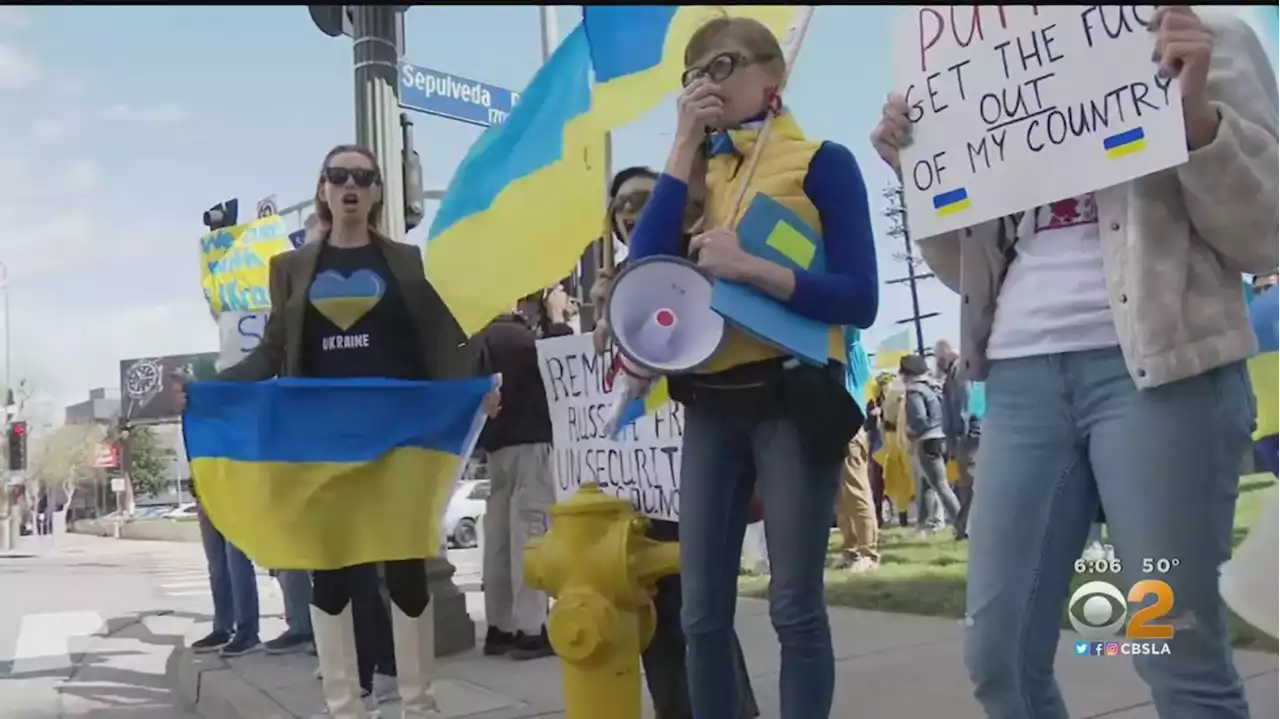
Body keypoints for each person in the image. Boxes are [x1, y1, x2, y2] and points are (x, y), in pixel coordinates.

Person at [871, 9, 1279, 717]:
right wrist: (922, 171)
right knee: (996, 657)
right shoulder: (977, 64)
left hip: (1162, 369)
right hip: (1020, 375)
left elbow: (1267, 233)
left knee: (1171, 648)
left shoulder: (1204, 31)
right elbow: (960, 268)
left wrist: (1198, 122)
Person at [178, 143, 495, 719]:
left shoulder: (404, 262)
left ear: (375, 192)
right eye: (338, 175)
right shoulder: (291, 268)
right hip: (319, 443)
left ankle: (417, 704)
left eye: (363, 177)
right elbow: (271, 354)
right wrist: (209, 386)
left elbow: (439, 340)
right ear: (323, 188)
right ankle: (344, 705)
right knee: (329, 573)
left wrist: (477, 386)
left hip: (398, 442)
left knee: (405, 570)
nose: (351, 185)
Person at [627, 16, 878, 717]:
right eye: (692, 76)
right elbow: (645, 272)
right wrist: (680, 146)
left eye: (723, 66)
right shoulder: (694, 172)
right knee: (701, 613)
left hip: (792, 397)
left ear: (774, 75)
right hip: (709, 402)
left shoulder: (822, 160)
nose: (706, 85)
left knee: (794, 604)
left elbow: (860, 297)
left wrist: (752, 269)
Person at [593, 165, 760, 719]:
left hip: (696, 463)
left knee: (699, 607)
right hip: (636, 489)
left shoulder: (700, 269)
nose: (627, 211)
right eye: (618, 205)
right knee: (655, 611)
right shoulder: (609, 289)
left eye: (642, 198)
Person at [473, 294, 557, 661]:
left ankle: (499, 626)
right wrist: (556, 320)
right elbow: (563, 367)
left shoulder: (479, 340)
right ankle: (531, 628)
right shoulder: (523, 341)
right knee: (529, 532)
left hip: (496, 446)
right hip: (531, 442)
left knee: (499, 536)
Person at [190, 481, 261, 658]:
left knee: (237, 564)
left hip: (232, 489)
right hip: (205, 491)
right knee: (217, 567)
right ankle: (223, 628)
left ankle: (247, 632)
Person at [899, 355, 961, 538]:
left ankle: (963, 525)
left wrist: (910, 432)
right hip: (943, 438)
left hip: (927, 440)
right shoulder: (934, 387)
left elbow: (919, 418)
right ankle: (922, 526)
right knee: (927, 485)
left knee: (941, 486)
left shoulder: (914, 391)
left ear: (907, 373)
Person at [934, 340, 979, 540]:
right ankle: (964, 526)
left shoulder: (959, 373)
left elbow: (965, 404)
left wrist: (959, 434)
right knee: (968, 482)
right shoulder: (957, 372)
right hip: (969, 432)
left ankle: (964, 527)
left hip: (968, 434)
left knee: (970, 482)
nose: (938, 363)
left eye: (939, 358)